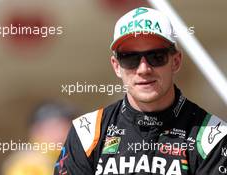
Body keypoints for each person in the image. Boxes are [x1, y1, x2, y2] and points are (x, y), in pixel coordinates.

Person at [54, 7, 227, 175]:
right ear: (116, 66)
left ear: (176, 61)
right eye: (130, 58)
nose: (143, 69)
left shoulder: (212, 136)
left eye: (156, 57)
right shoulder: (87, 132)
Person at [3, 101, 77, 175]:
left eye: (67, 126)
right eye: (57, 127)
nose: (63, 132)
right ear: (36, 130)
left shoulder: (61, 158)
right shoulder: (29, 163)